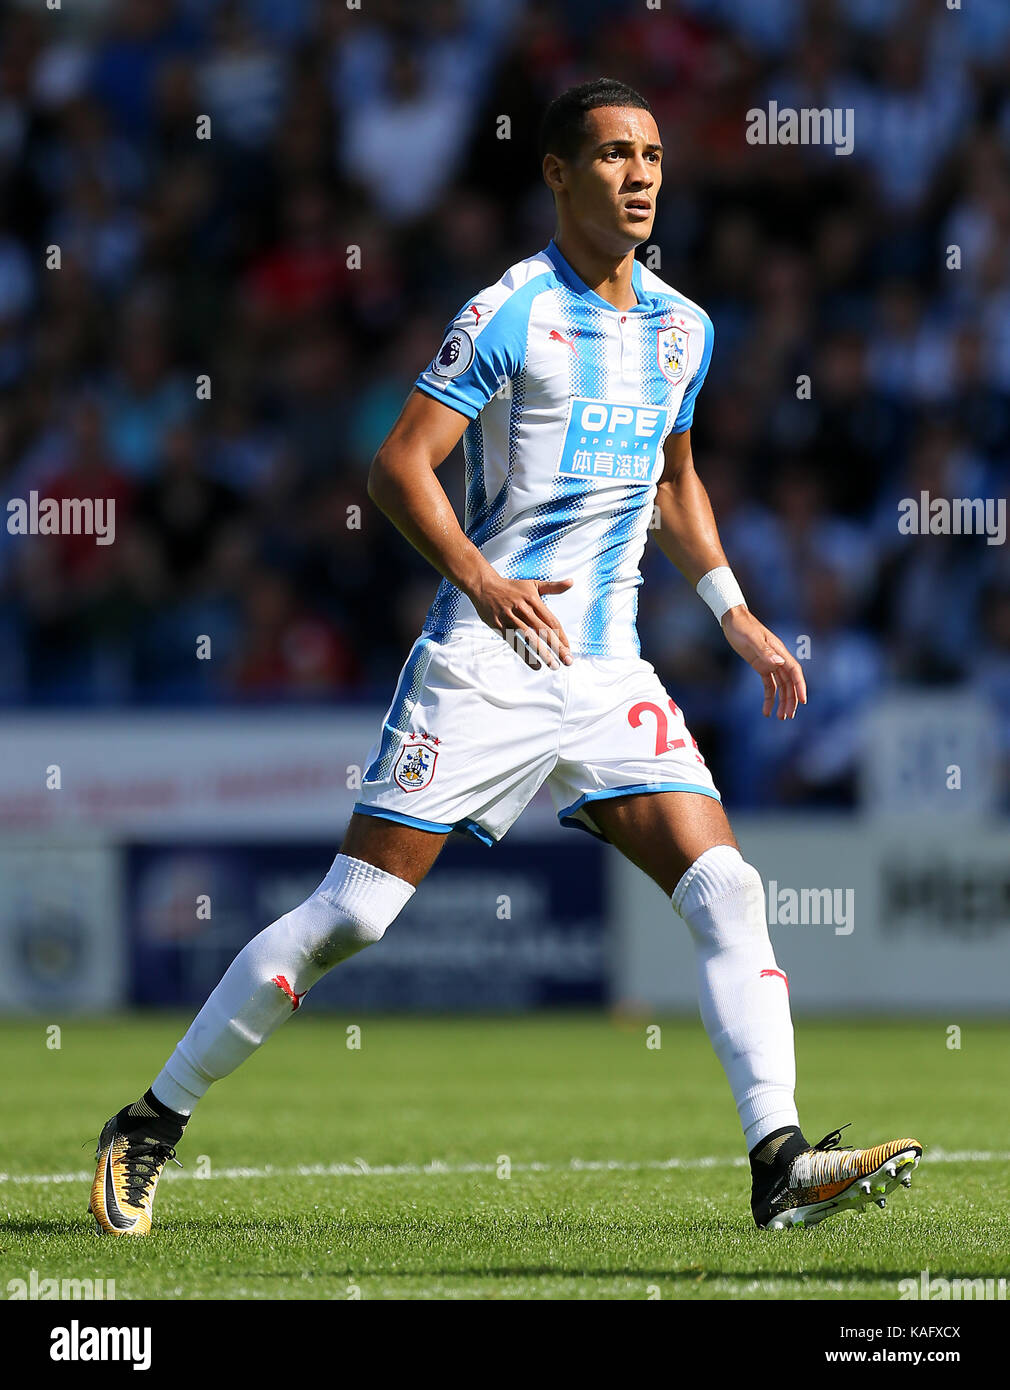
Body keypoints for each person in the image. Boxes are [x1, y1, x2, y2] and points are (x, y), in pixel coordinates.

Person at [90, 79, 920, 1237]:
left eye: (651, 155)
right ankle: (148, 1122)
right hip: (484, 660)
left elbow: (675, 481)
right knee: (354, 916)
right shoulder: (508, 313)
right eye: (614, 155)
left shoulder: (683, 326)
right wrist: (480, 579)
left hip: (607, 673)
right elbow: (397, 466)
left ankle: (774, 1159)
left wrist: (730, 606)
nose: (639, 174)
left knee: (726, 886)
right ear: (556, 175)